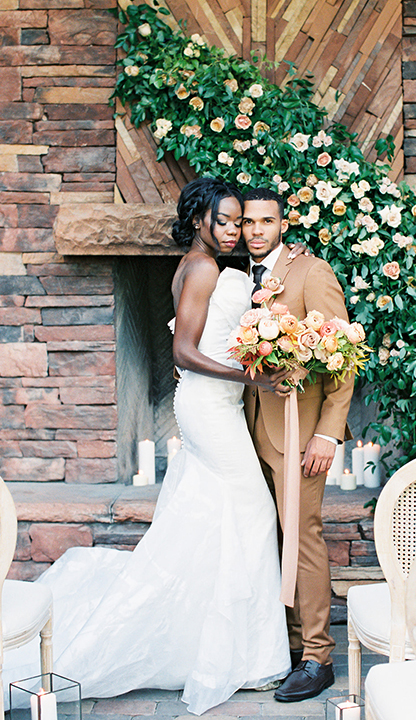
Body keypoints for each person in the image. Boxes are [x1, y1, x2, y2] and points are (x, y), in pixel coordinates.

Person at [3, 178, 291, 716]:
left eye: (237, 221)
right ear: (199, 220)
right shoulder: (204, 268)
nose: (232, 230)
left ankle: (223, 644)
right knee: (251, 512)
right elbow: (183, 352)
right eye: (222, 221)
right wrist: (253, 379)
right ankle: (245, 656)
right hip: (208, 406)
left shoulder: (196, 264)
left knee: (219, 518)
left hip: (215, 404)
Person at [242, 187, 354, 703]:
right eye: (248, 221)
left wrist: (328, 433)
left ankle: (317, 657)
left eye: (267, 221)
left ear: (283, 224)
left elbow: (343, 355)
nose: (257, 230)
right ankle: (284, 647)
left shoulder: (312, 273)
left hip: (302, 433)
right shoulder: (236, 277)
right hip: (246, 433)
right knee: (269, 539)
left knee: (303, 537)